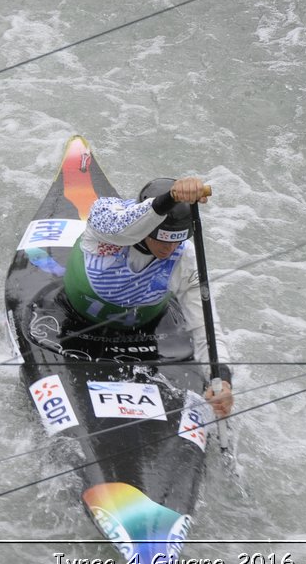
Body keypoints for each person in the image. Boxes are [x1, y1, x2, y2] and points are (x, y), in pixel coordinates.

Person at [65, 175, 234, 420]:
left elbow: (204, 327)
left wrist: (222, 380)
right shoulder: (105, 219)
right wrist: (170, 198)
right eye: (163, 239)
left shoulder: (185, 259)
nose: (169, 250)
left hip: (145, 331)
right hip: (75, 323)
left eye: (177, 242)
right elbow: (124, 229)